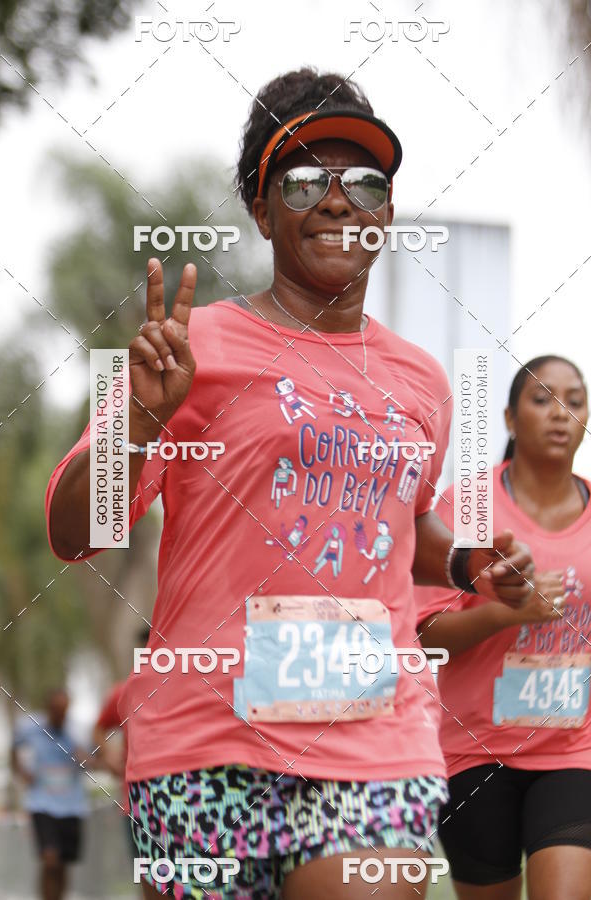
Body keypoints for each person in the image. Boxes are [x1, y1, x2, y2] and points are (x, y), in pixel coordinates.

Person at [46, 67, 534, 899]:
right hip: (204, 744)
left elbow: (403, 523)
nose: (340, 201)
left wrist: (465, 566)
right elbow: (76, 532)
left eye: (365, 182)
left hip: (376, 742)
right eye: (306, 178)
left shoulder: (424, 383)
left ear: (386, 212)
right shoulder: (179, 345)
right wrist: (139, 421)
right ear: (263, 209)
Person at [416, 355, 591, 900]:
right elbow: (426, 633)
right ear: (510, 419)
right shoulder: (470, 505)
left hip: (573, 749)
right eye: (542, 399)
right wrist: (507, 612)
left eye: (576, 400)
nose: (561, 413)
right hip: (476, 753)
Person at [12, 689, 88, 900]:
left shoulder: (77, 732)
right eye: (56, 711)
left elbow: (93, 760)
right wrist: (21, 772)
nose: (60, 716)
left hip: (72, 805)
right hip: (42, 804)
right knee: (50, 859)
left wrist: (84, 758)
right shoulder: (30, 728)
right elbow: (14, 748)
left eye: (64, 711)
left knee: (63, 863)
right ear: (48, 710)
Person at [93, 625, 151, 863]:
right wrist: (109, 756)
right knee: (146, 871)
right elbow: (98, 729)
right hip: (136, 800)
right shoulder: (124, 691)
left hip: (186, 795)